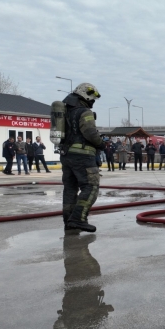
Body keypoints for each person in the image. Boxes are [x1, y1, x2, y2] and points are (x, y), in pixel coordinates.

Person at [60, 82, 104, 234]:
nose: (92, 101)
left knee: (70, 188)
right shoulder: (84, 111)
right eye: (92, 97)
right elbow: (90, 133)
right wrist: (101, 143)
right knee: (90, 187)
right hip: (83, 157)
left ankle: (69, 221)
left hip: (66, 156)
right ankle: (78, 219)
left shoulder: (65, 111)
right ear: (85, 94)